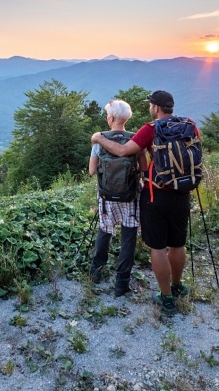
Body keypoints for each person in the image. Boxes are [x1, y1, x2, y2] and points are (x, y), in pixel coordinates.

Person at [91, 90, 194, 316]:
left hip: (155, 195)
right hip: (183, 192)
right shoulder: (190, 125)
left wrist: (98, 138)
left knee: (157, 247)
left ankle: (166, 298)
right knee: (177, 244)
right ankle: (177, 286)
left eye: (150, 105)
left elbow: (122, 150)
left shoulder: (150, 129)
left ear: (156, 108)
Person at [88, 99, 148, 297]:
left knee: (105, 231)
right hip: (130, 196)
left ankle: (96, 273)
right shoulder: (135, 140)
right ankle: (121, 283)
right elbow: (143, 168)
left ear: (111, 118)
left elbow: (91, 171)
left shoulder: (100, 139)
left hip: (106, 197)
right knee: (128, 236)